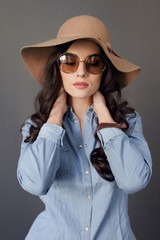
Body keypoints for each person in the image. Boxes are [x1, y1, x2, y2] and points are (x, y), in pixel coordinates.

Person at [17, 15, 152, 240]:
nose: (81, 72)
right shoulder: (36, 126)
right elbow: (35, 184)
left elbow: (133, 181)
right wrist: (56, 115)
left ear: (105, 69)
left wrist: (105, 117)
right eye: (69, 61)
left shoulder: (129, 121)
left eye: (93, 62)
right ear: (57, 67)